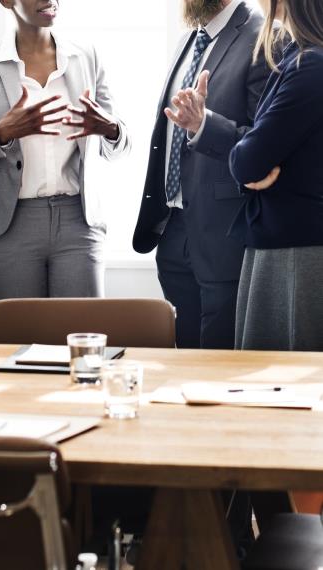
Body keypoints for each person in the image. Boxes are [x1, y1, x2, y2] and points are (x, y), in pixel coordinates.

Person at [0, 0, 130, 303]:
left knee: (81, 341)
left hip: (79, 222)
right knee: (16, 340)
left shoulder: (86, 55)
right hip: (9, 225)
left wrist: (111, 128)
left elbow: (119, 148)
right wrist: (3, 131)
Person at [134, 0, 268, 349]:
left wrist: (203, 124)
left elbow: (263, 145)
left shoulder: (262, 37)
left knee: (219, 366)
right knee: (184, 359)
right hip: (172, 228)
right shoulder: (190, 39)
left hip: (224, 232)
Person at [232, 0, 323, 350]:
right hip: (285, 244)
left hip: (297, 251)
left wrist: (248, 160)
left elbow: (247, 160)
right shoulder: (298, 59)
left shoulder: (310, 65)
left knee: (285, 378)